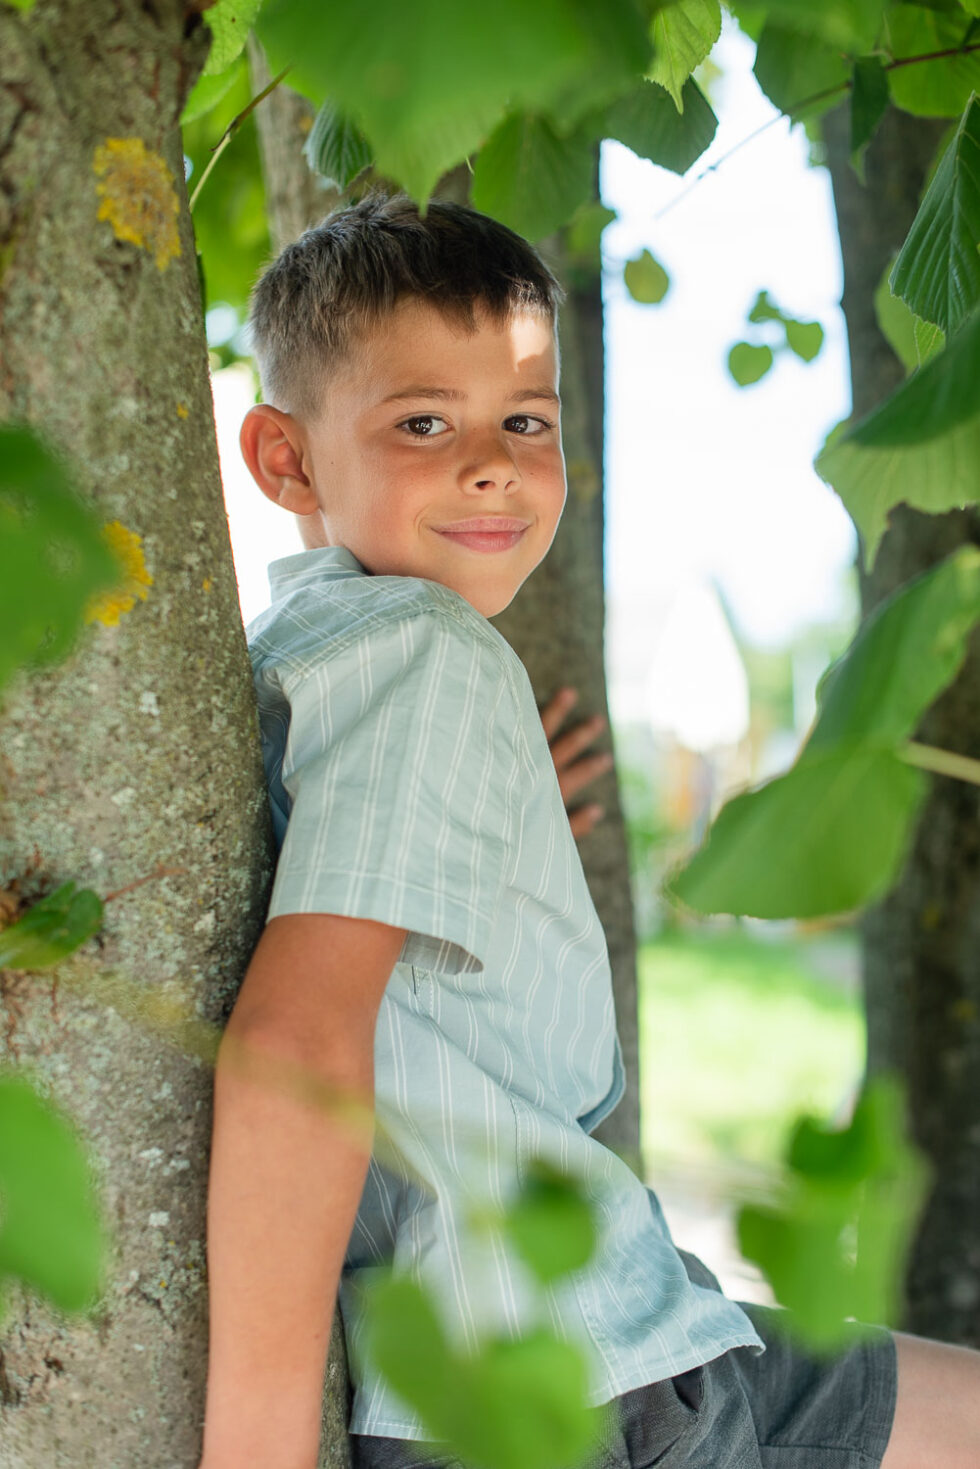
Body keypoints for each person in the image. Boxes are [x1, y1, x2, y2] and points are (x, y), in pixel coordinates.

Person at [198, 194, 980, 1469]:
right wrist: (256, 1449)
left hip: (632, 1328)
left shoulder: (304, 659)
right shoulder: (428, 653)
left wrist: (496, 821)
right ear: (285, 460)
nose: (491, 463)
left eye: (525, 420)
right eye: (422, 422)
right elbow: (296, 1040)